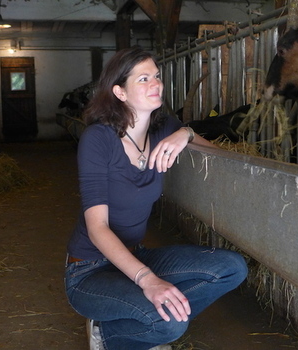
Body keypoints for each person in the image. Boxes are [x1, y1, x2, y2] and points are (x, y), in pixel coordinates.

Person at [64, 46, 248, 350]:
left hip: (135, 254)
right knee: (171, 323)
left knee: (232, 268)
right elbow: (97, 228)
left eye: (157, 77)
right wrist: (148, 280)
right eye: (144, 79)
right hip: (89, 269)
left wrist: (186, 133)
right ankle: (108, 333)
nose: (156, 84)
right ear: (120, 93)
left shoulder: (165, 128)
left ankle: (135, 321)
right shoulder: (98, 139)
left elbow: (219, 156)